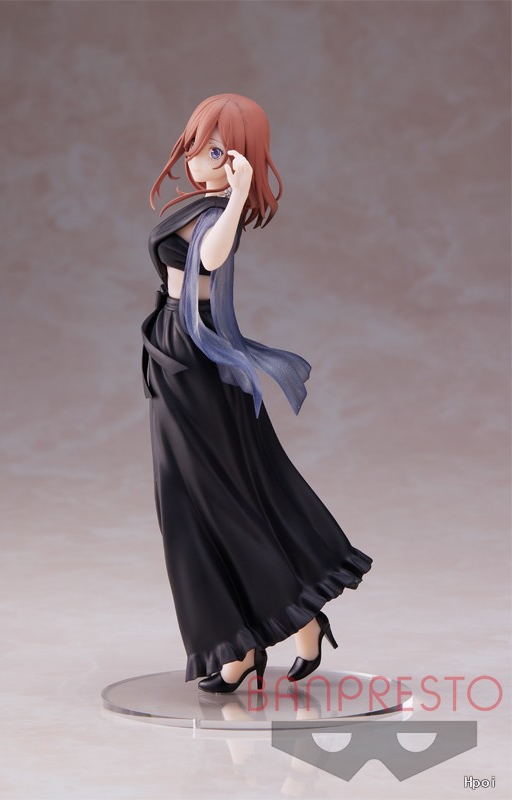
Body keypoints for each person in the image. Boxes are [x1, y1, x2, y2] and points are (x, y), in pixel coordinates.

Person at [141, 93, 373, 693]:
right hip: (174, 349)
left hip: (197, 353)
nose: (200, 162)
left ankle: (272, 628)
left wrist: (240, 193)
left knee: (219, 496)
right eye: (197, 148)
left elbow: (208, 258)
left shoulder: (220, 215)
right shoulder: (200, 206)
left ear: (242, 157)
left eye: (217, 152)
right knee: (185, 499)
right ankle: (256, 636)